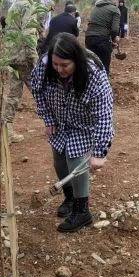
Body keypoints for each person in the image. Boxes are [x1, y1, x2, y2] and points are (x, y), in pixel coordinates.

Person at [30, 32, 113, 232]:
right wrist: (48, 118)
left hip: (84, 122)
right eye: (56, 65)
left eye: (65, 65)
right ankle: (69, 198)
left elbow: (104, 114)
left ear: (76, 60)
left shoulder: (94, 75)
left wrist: (99, 153)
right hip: (60, 118)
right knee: (59, 157)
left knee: (74, 156)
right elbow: (36, 89)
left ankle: (82, 211)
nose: (59, 69)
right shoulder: (45, 65)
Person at [2, 0, 45, 143]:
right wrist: (35, 60)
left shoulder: (15, 3)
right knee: (41, 90)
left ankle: (7, 129)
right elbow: (28, 34)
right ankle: (56, 124)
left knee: (13, 94)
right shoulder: (28, 5)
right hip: (24, 57)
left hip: (12, 55)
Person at [85, 0, 120, 73]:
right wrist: (114, 38)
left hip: (89, 38)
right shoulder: (114, 9)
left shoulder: (96, 7)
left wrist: (111, 42)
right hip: (102, 39)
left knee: (91, 65)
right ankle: (103, 84)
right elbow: (115, 29)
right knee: (104, 66)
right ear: (115, 0)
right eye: (118, 1)